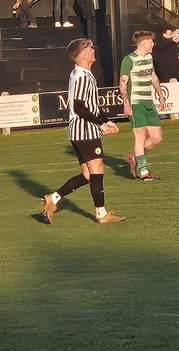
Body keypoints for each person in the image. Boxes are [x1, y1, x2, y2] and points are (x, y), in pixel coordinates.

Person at [40, 37, 124, 225]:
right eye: (90, 48)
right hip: (85, 130)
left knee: (87, 175)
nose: (94, 51)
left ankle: (53, 199)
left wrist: (106, 120)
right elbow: (79, 107)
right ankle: (101, 214)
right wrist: (100, 124)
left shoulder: (83, 73)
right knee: (98, 170)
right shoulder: (81, 76)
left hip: (82, 130)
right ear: (84, 55)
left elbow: (91, 105)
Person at [119, 29, 167, 181]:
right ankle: (144, 172)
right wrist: (126, 103)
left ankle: (134, 157)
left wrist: (160, 95)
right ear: (144, 43)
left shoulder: (149, 57)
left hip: (148, 103)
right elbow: (123, 83)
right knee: (140, 136)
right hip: (135, 103)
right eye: (151, 42)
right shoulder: (129, 60)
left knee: (156, 137)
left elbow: (153, 77)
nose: (153, 44)